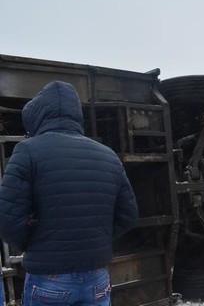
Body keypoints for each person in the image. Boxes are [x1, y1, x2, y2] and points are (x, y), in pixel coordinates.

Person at [0, 81, 139, 305]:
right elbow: (129, 216)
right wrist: (96, 240)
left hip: (49, 277)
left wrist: (37, 244)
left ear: (37, 116)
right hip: (97, 276)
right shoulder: (108, 155)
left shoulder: (27, 150)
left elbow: (7, 220)